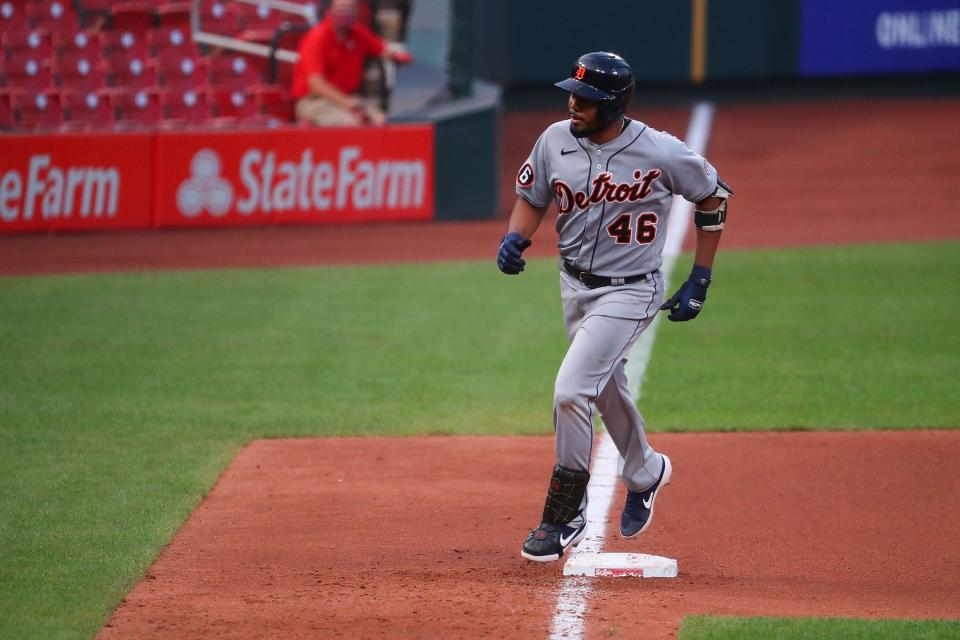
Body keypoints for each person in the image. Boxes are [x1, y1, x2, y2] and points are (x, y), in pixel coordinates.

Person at [497, 52, 733, 562]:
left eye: (586, 99)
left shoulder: (659, 151)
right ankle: (646, 471)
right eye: (572, 94)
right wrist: (515, 237)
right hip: (573, 286)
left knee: (571, 391)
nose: (573, 104)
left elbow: (714, 197)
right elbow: (533, 194)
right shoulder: (554, 139)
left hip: (631, 290)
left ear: (614, 104)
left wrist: (701, 276)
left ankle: (565, 513)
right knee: (604, 387)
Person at [291, 0, 412, 127]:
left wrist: (400, 57)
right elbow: (317, 85)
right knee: (355, 123)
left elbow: (383, 49)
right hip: (315, 102)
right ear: (329, 11)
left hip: (348, 99)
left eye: (351, 9)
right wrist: (348, 104)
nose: (347, 13)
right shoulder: (316, 39)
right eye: (342, 9)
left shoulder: (357, 33)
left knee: (382, 120)